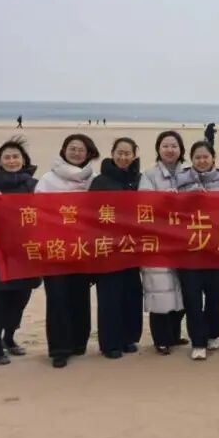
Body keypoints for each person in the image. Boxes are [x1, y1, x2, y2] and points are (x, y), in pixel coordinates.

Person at [0, 138, 41, 365]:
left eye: (16, 157)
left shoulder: (36, 186)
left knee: (20, 300)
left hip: (27, 254)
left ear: (24, 160)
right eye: (7, 157)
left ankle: (9, 337)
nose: (12, 161)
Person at [35, 133, 99, 368]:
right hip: (56, 247)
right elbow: (36, 211)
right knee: (57, 297)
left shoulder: (94, 180)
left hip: (83, 248)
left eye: (81, 149)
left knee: (79, 295)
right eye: (72, 148)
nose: (76, 153)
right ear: (64, 150)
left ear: (88, 153)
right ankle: (59, 349)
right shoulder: (48, 179)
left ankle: (79, 342)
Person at [88, 138, 144, 360]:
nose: (123, 157)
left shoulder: (139, 180)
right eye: (119, 152)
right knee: (109, 296)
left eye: (127, 153)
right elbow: (89, 214)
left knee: (131, 294)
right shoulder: (100, 181)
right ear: (112, 153)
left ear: (134, 155)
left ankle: (129, 338)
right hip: (108, 248)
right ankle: (110, 343)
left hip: (132, 247)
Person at [176, 140, 219, 360]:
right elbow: (172, 211)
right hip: (188, 250)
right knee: (192, 298)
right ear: (191, 159)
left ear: (213, 158)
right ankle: (198, 342)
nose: (201, 160)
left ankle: (213, 334)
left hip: (215, 250)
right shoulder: (181, 179)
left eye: (205, 157)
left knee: (213, 296)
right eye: (197, 157)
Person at [138, 131, 190, 355]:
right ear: (158, 149)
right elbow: (143, 205)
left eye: (174, 146)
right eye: (165, 146)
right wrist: (163, 200)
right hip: (158, 241)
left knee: (182, 289)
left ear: (181, 150)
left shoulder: (188, 172)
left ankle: (174, 334)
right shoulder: (149, 174)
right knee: (160, 290)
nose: (170, 150)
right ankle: (161, 339)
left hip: (185, 240)